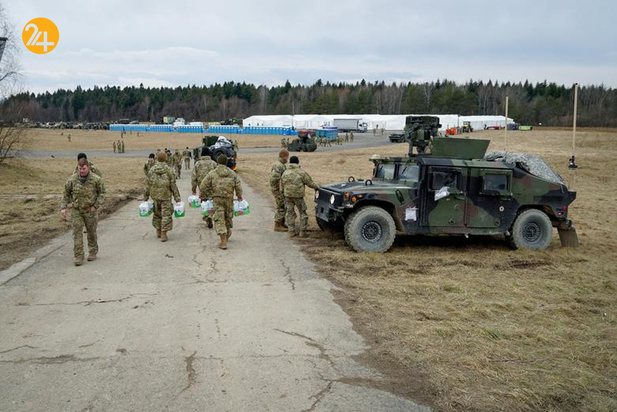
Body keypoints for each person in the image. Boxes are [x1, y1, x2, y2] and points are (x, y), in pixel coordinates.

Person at [61, 158, 105, 266]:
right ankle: (79, 256)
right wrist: (64, 207)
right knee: (77, 233)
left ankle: (92, 251)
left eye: (84, 169)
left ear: (88, 167)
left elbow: (102, 193)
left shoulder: (96, 179)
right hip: (77, 210)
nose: (82, 171)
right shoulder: (72, 180)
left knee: (91, 232)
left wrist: (95, 206)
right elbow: (66, 193)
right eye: (80, 169)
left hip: (90, 210)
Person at [200, 154, 243, 250]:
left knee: (219, 218)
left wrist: (203, 194)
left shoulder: (212, 173)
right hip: (229, 199)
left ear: (218, 162)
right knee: (228, 217)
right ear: (226, 163)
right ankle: (227, 233)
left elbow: (203, 185)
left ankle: (223, 240)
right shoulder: (232, 173)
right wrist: (239, 196)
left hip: (217, 199)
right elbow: (238, 186)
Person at [144, 152, 180, 242]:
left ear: (157, 159)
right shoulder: (169, 170)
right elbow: (173, 184)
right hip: (166, 196)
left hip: (155, 196)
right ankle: (164, 233)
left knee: (157, 214)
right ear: (165, 159)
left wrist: (146, 196)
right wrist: (177, 198)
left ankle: (158, 231)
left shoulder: (152, 170)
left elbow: (148, 184)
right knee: (166, 215)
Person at [281, 156, 319, 238]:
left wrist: (283, 193)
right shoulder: (301, 172)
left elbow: (281, 186)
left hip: (287, 196)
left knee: (290, 213)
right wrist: (317, 187)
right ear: (298, 162)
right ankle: (302, 232)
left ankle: (291, 231)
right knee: (302, 213)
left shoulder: (285, 172)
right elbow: (310, 183)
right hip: (298, 196)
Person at [192, 146, 217, 229]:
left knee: (204, 202)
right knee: (212, 202)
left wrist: (193, 188)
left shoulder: (197, 164)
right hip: (213, 187)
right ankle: (211, 215)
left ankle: (207, 217)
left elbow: (194, 177)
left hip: (202, 187)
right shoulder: (213, 163)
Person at [270, 149, 289, 232]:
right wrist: (278, 191)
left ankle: (282, 223)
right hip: (278, 190)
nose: (288, 158)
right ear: (284, 156)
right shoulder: (279, 165)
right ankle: (277, 224)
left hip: (279, 189)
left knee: (283, 205)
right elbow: (274, 179)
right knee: (281, 206)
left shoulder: (281, 164)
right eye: (287, 156)